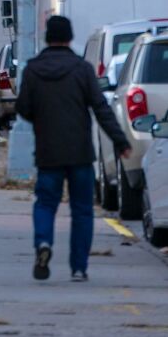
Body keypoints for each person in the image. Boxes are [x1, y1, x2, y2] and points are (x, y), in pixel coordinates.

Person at [16, 14, 132, 283]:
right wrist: (120, 141)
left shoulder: (33, 70)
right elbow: (101, 109)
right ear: (69, 38)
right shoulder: (82, 69)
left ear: (47, 38)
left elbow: (23, 108)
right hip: (79, 152)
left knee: (45, 203)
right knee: (82, 210)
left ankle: (43, 242)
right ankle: (78, 268)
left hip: (48, 151)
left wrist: (40, 118)